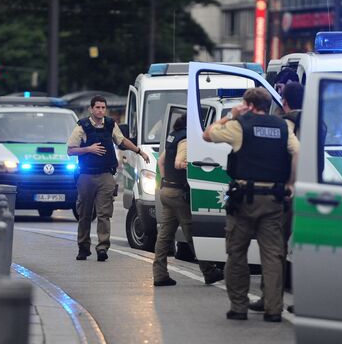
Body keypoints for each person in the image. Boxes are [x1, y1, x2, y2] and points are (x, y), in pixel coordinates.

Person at [203, 87, 298, 322]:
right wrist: (290, 184)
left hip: (244, 198)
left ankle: (239, 306)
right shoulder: (283, 127)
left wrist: (231, 115)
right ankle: (274, 309)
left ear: (249, 105)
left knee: (236, 252)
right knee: (273, 255)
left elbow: (208, 134)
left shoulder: (239, 125)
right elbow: (297, 152)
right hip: (274, 198)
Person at [67, 96, 150, 261]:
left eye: (103, 107)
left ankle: (102, 248)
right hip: (86, 175)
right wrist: (88, 149)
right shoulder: (82, 127)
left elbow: (122, 141)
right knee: (84, 214)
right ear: (91, 109)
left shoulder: (111, 124)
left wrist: (139, 151)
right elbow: (70, 150)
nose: (100, 110)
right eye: (97, 107)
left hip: (105, 175)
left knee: (104, 214)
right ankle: (83, 247)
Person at [248, 81, 304, 313]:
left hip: (288, 193)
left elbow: (290, 153)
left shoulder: (286, 123)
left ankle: (270, 298)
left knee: (274, 248)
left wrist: (289, 183)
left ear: (285, 101)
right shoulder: (316, 121)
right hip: (313, 191)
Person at [153, 113, 224, 286]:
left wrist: (165, 181)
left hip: (167, 190)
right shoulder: (185, 139)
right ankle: (209, 271)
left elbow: (161, 162)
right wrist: (191, 165)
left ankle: (160, 274)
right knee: (192, 231)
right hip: (178, 193)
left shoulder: (173, 136)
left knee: (164, 235)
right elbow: (178, 163)